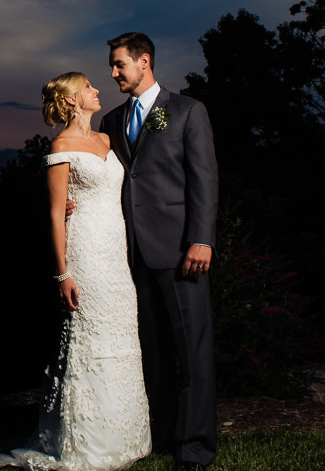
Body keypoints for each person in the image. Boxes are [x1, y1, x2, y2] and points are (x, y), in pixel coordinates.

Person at [0, 72, 150, 471]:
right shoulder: (61, 145)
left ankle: (125, 435)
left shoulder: (107, 139)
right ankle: (86, 442)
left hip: (116, 253)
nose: (97, 90)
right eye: (87, 88)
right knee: (89, 338)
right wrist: (62, 273)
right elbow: (54, 211)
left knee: (120, 334)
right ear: (70, 101)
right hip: (84, 252)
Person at [99, 32, 218, 471]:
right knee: (152, 353)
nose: (112, 73)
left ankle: (196, 448)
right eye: (112, 66)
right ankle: (163, 436)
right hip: (131, 256)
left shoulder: (187, 111)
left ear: (143, 61)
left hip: (182, 250)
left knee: (194, 354)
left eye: (119, 65)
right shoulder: (110, 121)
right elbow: (109, 180)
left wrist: (201, 239)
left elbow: (204, 179)